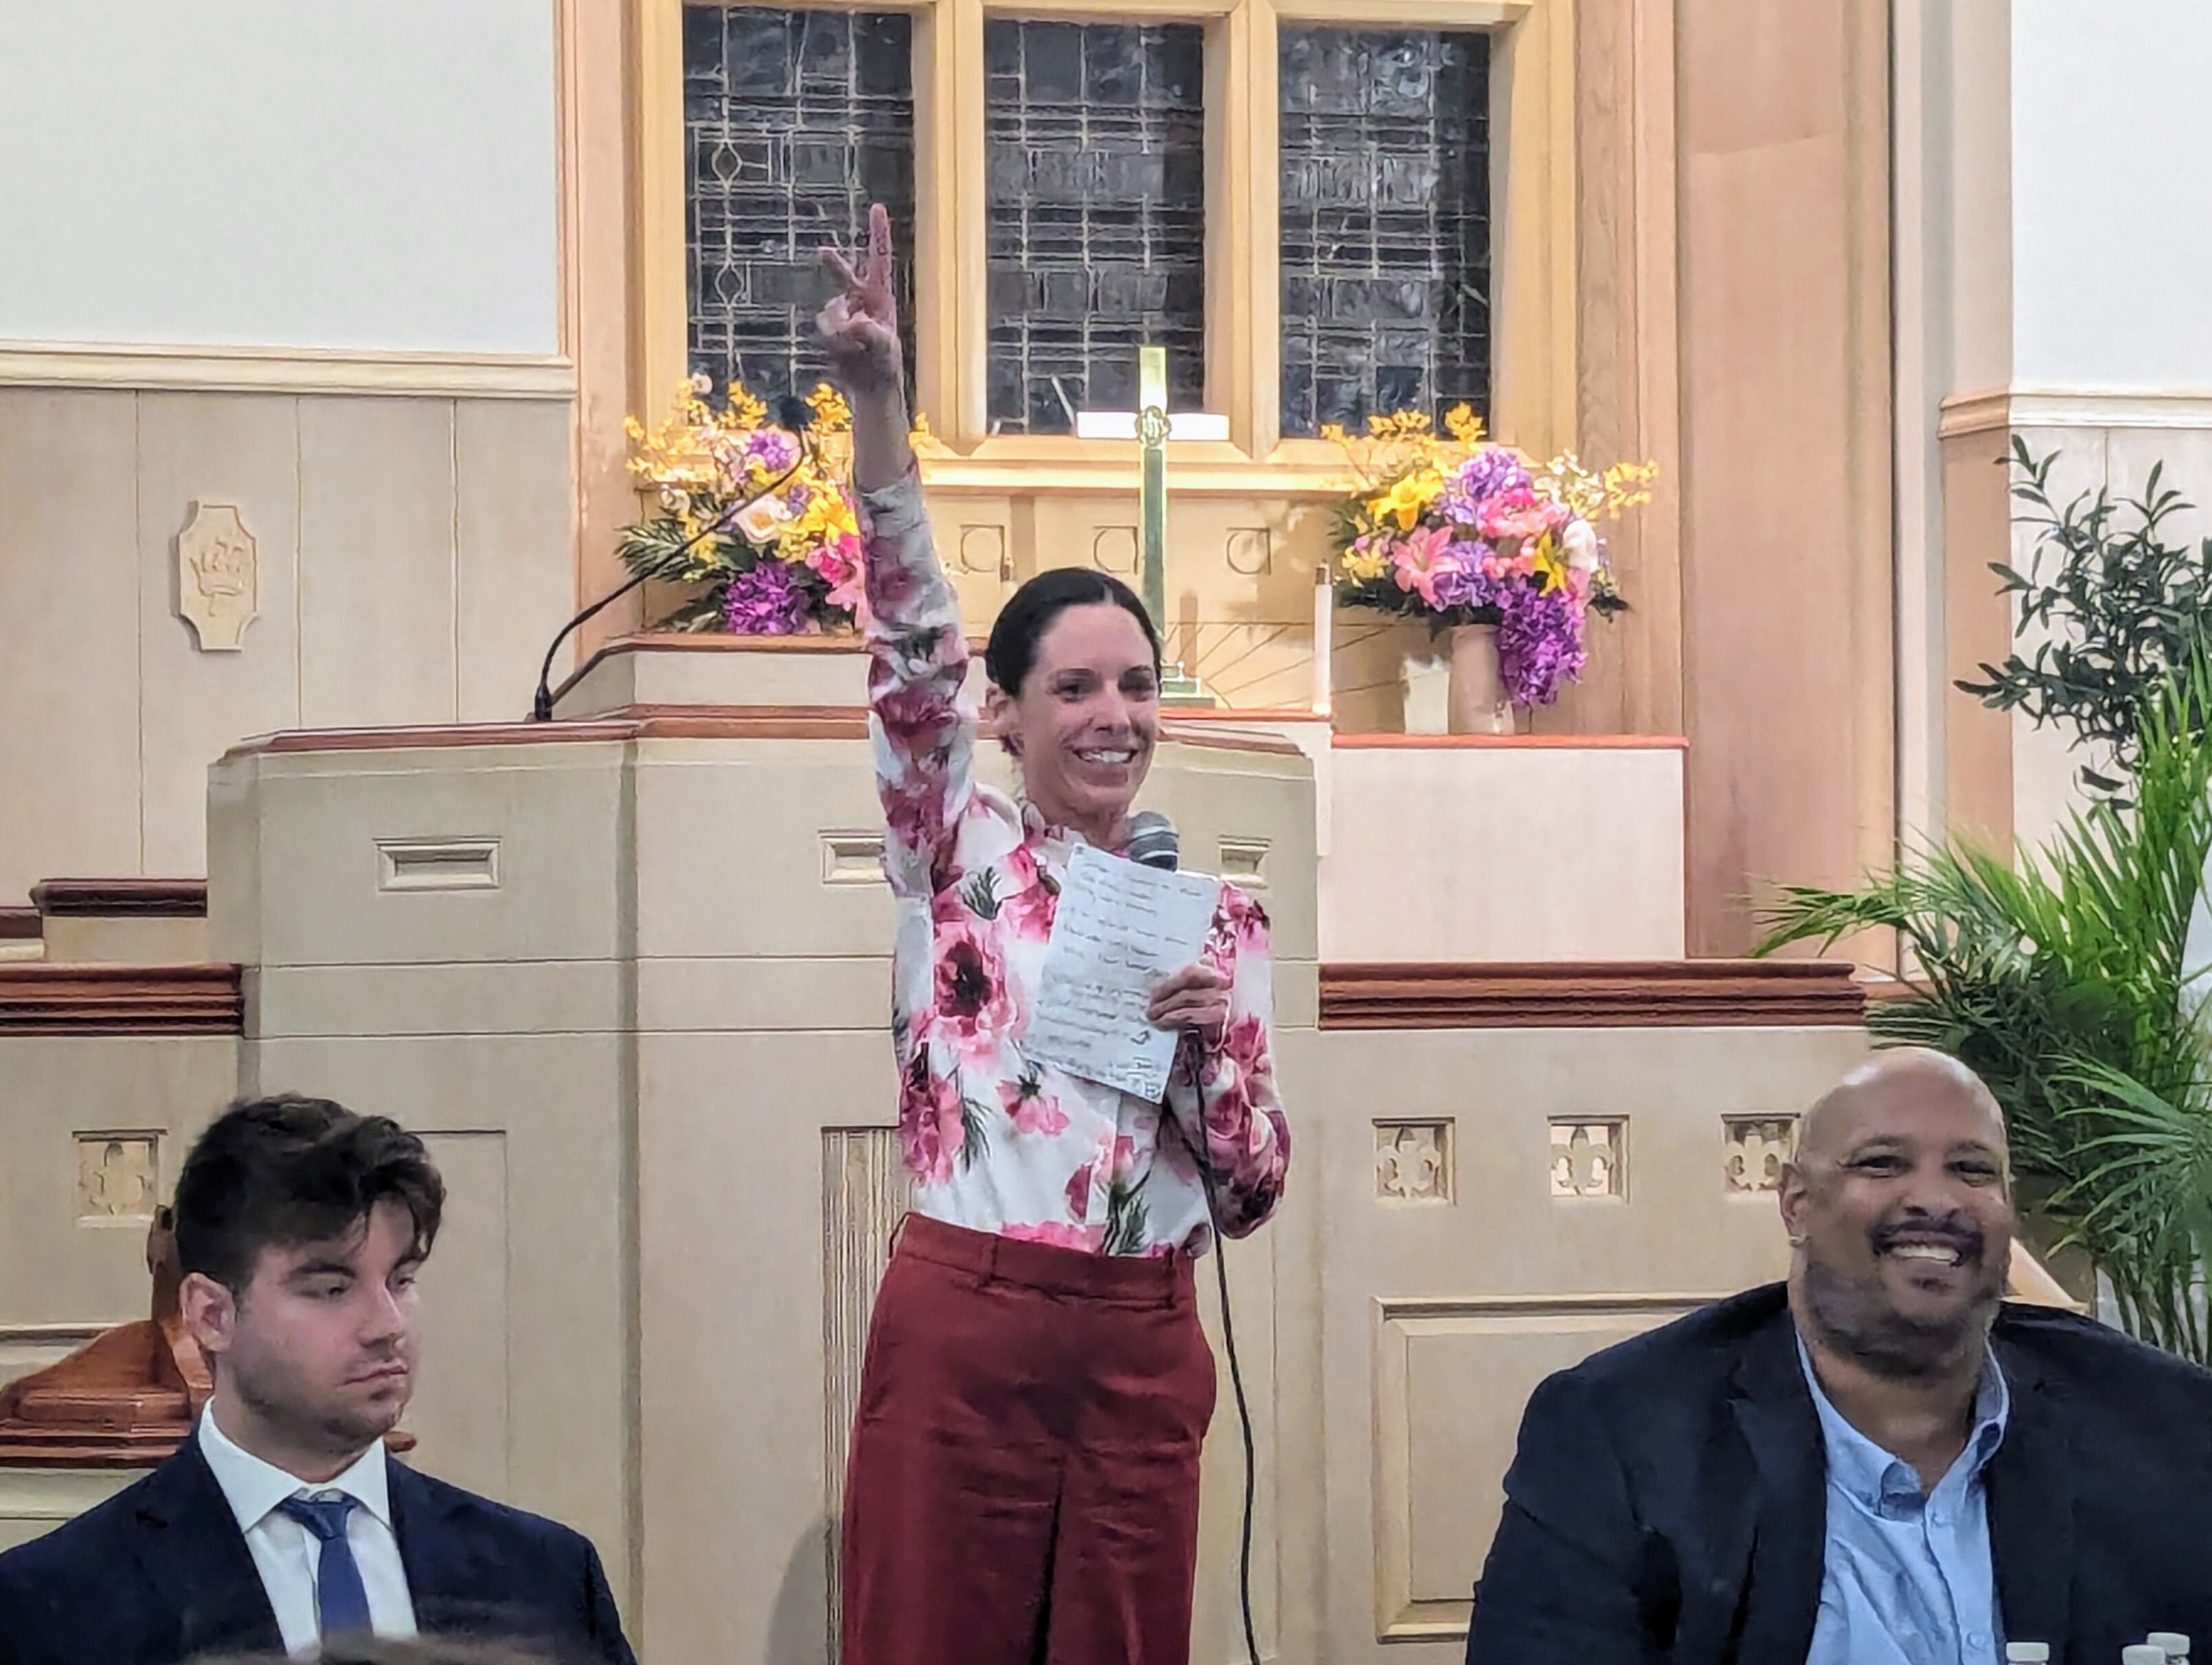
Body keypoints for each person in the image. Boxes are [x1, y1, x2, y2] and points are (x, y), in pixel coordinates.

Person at [819, 203, 1291, 1665]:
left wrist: (1212, 1050)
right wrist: (882, 408)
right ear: (1003, 713)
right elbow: (908, 648)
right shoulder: (949, 852)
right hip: (968, 1325)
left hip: (1141, 1342)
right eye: (1075, 687)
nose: (1113, 717)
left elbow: (1253, 1188)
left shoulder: (1207, 914)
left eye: (1137, 687)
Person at [1465, 1047, 2212, 1665]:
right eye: (1882, 1163)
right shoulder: (1621, 1431)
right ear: (1795, 1203)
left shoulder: (2163, 1423)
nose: (1936, 1199)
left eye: (1972, 1170)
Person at [0, 1096, 637, 1665]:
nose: (386, 1325)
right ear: (211, 1314)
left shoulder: (545, 1575)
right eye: (332, 1288)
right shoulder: (51, 1603)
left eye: (401, 1280)